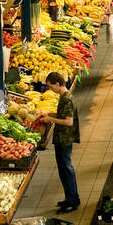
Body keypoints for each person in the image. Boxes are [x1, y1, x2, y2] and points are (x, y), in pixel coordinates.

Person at [35, 72, 79, 212]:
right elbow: (63, 115)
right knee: (63, 169)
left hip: (65, 139)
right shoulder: (63, 97)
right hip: (61, 138)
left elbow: (68, 121)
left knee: (67, 169)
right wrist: (49, 114)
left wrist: (50, 120)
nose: (50, 89)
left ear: (58, 84)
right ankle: (69, 198)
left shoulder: (67, 99)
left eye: (50, 86)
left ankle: (73, 201)